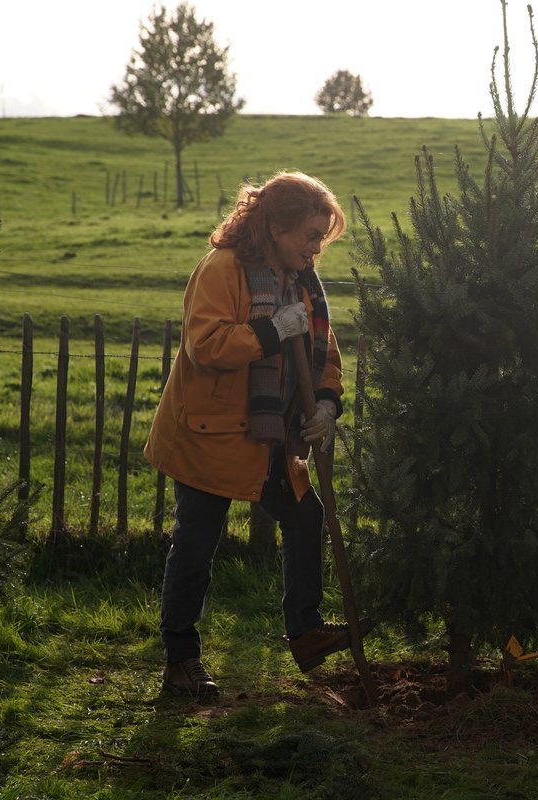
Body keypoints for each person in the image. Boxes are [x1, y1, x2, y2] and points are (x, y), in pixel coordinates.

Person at [145, 170, 371, 699]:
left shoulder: (302, 280)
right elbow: (207, 346)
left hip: (274, 433)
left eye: (321, 236)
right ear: (274, 227)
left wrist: (326, 405)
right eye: (310, 235)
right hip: (210, 433)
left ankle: (306, 632)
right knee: (197, 544)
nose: (317, 247)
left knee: (304, 514)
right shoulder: (223, 269)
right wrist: (274, 329)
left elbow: (326, 349)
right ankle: (180, 659)